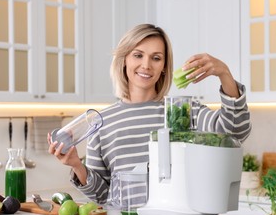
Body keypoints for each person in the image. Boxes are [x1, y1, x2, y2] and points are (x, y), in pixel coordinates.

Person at [48, 23, 252, 205]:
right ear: (124, 60)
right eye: (138, 55)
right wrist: (76, 165)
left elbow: (233, 133)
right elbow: (103, 196)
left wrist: (225, 74)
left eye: (156, 58)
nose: (146, 65)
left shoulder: (180, 112)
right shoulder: (102, 122)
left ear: (164, 67)